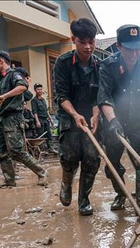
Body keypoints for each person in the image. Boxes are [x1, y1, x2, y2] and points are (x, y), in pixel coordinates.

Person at [98, 24, 140, 213]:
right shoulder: (108, 65)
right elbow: (104, 97)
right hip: (114, 118)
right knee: (112, 163)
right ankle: (121, 193)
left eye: (137, 48)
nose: (135, 54)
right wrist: (113, 121)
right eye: (129, 49)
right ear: (119, 46)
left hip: (139, 118)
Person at [53, 18, 101, 215]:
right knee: (70, 157)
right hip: (69, 115)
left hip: (92, 117)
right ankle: (66, 183)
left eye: (92, 41)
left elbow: (101, 95)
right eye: (83, 42)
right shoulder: (63, 63)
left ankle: (84, 200)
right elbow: (61, 95)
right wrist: (74, 114)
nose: (88, 47)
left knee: (91, 157)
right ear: (74, 40)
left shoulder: (100, 66)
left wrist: (96, 114)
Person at [0, 50, 48, 187]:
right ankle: (9, 180)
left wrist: (4, 96)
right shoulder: (2, 80)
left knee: (16, 151)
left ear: (0, 61)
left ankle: (42, 172)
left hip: (14, 118)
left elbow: (22, 87)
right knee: (0, 151)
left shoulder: (13, 74)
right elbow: (4, 102)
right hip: (4, 118)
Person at [31, 83, 57, 153]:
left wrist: (51, 119)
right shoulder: (34, 100)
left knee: (49, 134)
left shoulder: (43, 100)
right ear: (35, 90)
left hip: (46, 120)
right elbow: (35, 112)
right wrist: (37, 121)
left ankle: (50, 148)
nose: (40, 91)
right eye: (38, 89)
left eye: (41, 89)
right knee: (41, 135)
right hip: (39, 119)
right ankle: (42, 150)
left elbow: (46, 110)